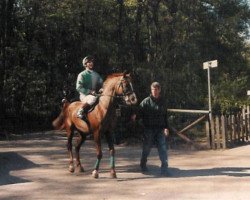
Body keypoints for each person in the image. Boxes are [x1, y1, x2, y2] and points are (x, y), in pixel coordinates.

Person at [133, 82, 170, 176]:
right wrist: (135, 117)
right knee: (147, 148)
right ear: (151, 90)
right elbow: (139, 112)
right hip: (149, 129)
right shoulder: (146, 101)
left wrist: (166, 128)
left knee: (163, 148)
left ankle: (164, 169)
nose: (154, 91)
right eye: (153, 90)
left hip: (160, 129)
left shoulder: (163, 101)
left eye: (156, 89)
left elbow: (165, 116)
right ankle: (143, 163)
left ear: (159, 90)